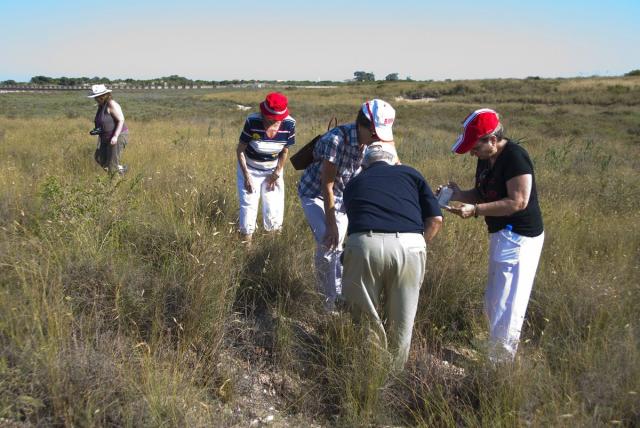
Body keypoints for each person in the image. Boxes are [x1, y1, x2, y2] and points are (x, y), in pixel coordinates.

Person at [444, 108, 544, 363]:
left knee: (510, 302)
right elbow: (483, 193)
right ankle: (494, 347)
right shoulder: (486, 158)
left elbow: (517, 202)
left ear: (491, 139)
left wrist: (475, 211)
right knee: (495, 299)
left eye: (474, 147)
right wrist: (458, 195)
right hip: (501, 234)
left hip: (520, 238)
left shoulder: (515, 157)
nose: (471, 153)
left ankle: (500, 363)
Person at [341, 143, 443, 370]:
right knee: (403, 321)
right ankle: (394, 376)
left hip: (364, 245)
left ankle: (370, 371)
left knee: (365, 317)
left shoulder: (355, 182)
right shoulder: (411, 174)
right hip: (410, 245)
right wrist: (415, 248)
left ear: (365, 165)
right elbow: (436, 220)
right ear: (395, 161)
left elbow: (353, 215)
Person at [298, 99, 396, 311]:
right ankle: (328, 303)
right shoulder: (336, 140)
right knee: (328, 240)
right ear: (367, 126)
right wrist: (332, 224)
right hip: (315, 193)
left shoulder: (373, 140)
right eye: (376, 135)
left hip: (342, 195)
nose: (378, 140)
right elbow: (327, 185)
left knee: (343, 246)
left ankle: (340, 295)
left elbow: (393, 162)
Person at [236, 92, 295, 243]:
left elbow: (285, 151)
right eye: (268, 117)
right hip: (250, 168)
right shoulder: (252, 121)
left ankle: (272, 245)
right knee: (249, 205)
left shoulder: (289, 124)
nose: (270, 121)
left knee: (273, 207)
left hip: (273, 170)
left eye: (275, 119)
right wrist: (247, 176)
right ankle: (247, 246)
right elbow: (240, 150)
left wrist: (276, 173)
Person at [87, 84, 128, 175]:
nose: (96, 98)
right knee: (99, 157)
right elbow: (104, 124)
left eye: (98, 97)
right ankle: (119, 169)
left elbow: (121, 120)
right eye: (96, 97)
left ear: (105, 95)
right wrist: (96, 131)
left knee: (112, 165)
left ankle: (114, 183)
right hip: (105, 137)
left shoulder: (111, 104)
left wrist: (115, 136)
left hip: (118, 136)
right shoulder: (101, 106)